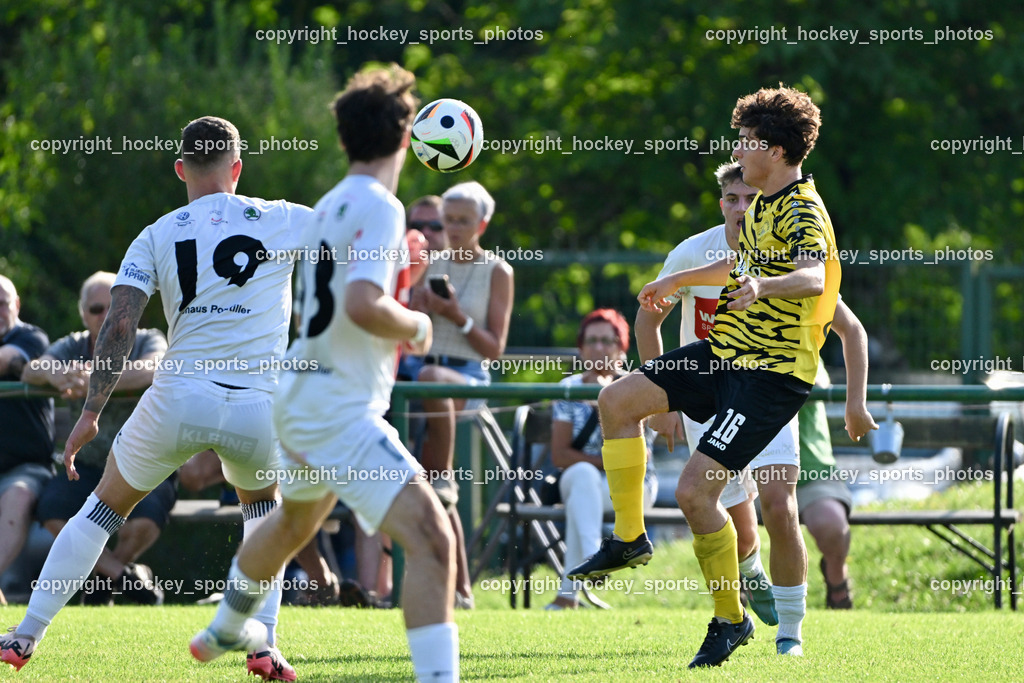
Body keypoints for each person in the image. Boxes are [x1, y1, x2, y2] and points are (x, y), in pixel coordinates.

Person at [1, 116, 311, 681]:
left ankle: (25, 636)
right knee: (263, 513)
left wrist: (91, 412)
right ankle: (264, 646)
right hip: (256, 406)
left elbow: (120, 324)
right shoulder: (285, 218)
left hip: (179, 398)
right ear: (237, 168)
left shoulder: (157, 232)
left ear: (179, 169)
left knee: (99, 510)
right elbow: (357, 245)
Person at [570, 86, 870, 668]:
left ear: (777, 150)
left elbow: (811, 277)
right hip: (723, 354)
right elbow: (740, 264)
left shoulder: (804, 208)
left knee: (696, 493)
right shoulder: (760, 204)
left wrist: (765, 287)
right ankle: (630, 538)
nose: (738, 149)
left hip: (770, 378)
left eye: (747, 141)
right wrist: (678, 282)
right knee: (616, 400)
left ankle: (735, 621)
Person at [191, 64, 460, 682]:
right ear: (405, 137)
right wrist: (418, 323)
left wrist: (399, 283)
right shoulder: (382, 206)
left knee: (293, 521)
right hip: (340, 406)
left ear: (345, 139)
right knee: (433, 539)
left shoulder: (329, 205)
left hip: (299, 393)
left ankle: (228, 626)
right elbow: (364, 305)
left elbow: (346, 294)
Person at [21, 271, 172, 605]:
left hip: (142, 461)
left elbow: (156, 367)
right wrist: (55, 373)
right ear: (83, 313)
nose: (106, 315)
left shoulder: (148, 338)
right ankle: (123, 577)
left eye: (115, 306)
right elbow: (31, 369)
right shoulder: (72, 344)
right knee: (52, 511)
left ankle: (103, 578)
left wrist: (95, 379)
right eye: (96, 308)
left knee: (144, 523)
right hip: (86, 463)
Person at [407, 180, 514, 608]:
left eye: (461, 221)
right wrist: (415, 306)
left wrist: (455, 315)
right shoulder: (426, 262)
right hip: (420, 374)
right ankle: (461, 589)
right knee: (434, 485)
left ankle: (444, 469)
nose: (451, 229)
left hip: (465, 379)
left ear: (482, 224)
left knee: (431, 377)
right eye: (445, 220)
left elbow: (494, 349)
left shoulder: (498, 270)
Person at [546, 309, 657, 610]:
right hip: (582, 480)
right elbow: (560, 455)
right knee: (582, 478)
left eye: (607, 341)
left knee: (581, 492)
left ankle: (566, 596)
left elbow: (642, 454)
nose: (599, 348)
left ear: (621, 350)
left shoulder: (638, 386)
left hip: (633, 488)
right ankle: (595, 556)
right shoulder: (567, 389)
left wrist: (606, 396)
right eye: (591, 341)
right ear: (580, 349)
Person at [0, 276, 54, 607]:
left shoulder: (31, 337)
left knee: (18, 495)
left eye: (1, 303)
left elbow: (5, 359)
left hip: (27, 469)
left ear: (16, 305)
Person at [797, 359, 857, 609]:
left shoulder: (800, 336)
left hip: (811, 470)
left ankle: (836, 582)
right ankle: (739, 591)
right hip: (745, 467)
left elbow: (818, 382)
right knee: (722, 518)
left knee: (832, 526)